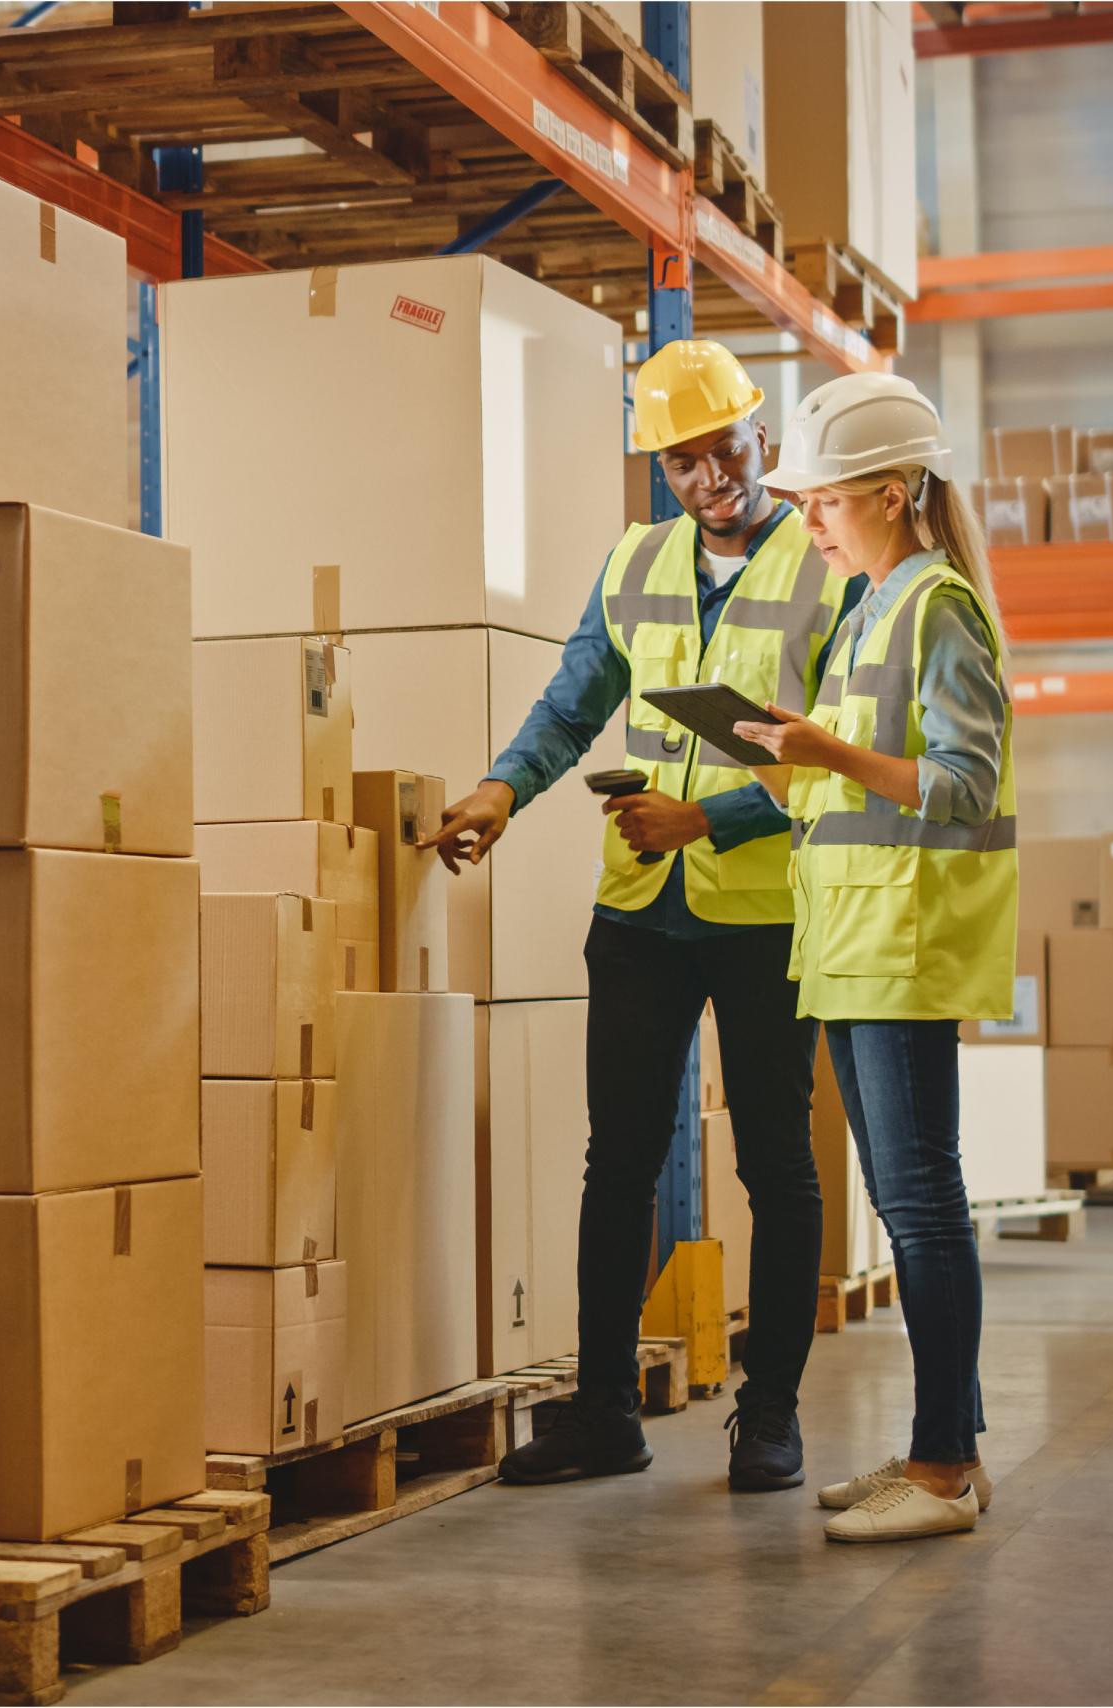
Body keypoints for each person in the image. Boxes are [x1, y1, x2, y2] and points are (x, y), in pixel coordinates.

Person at [423, 340, 862, 1491]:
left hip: (764, 912)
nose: (709, 473)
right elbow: (574, 700)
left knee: (776, 1165)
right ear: (662, 470)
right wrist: (502, 788)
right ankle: (605, 1410)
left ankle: (769, 1415)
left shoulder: (825, 569)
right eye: (681, 459)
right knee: (614, 1158)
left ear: (759, 435)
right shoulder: (637, 562)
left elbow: (843, 762)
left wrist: (709, 824)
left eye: (723, 445)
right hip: (640, 915)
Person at [733, 372, 1016, 1543]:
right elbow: (847, 790)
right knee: (907, 1211)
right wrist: (777, 762)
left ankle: (946, 1469)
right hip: (849, 944)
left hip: (903, 942)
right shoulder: (864, 608)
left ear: (894, 495)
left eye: (824, 503)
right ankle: (936, 1448)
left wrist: (829, 757)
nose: (805, 524)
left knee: (923, 1208)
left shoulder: (935, 605)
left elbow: (962, 783)